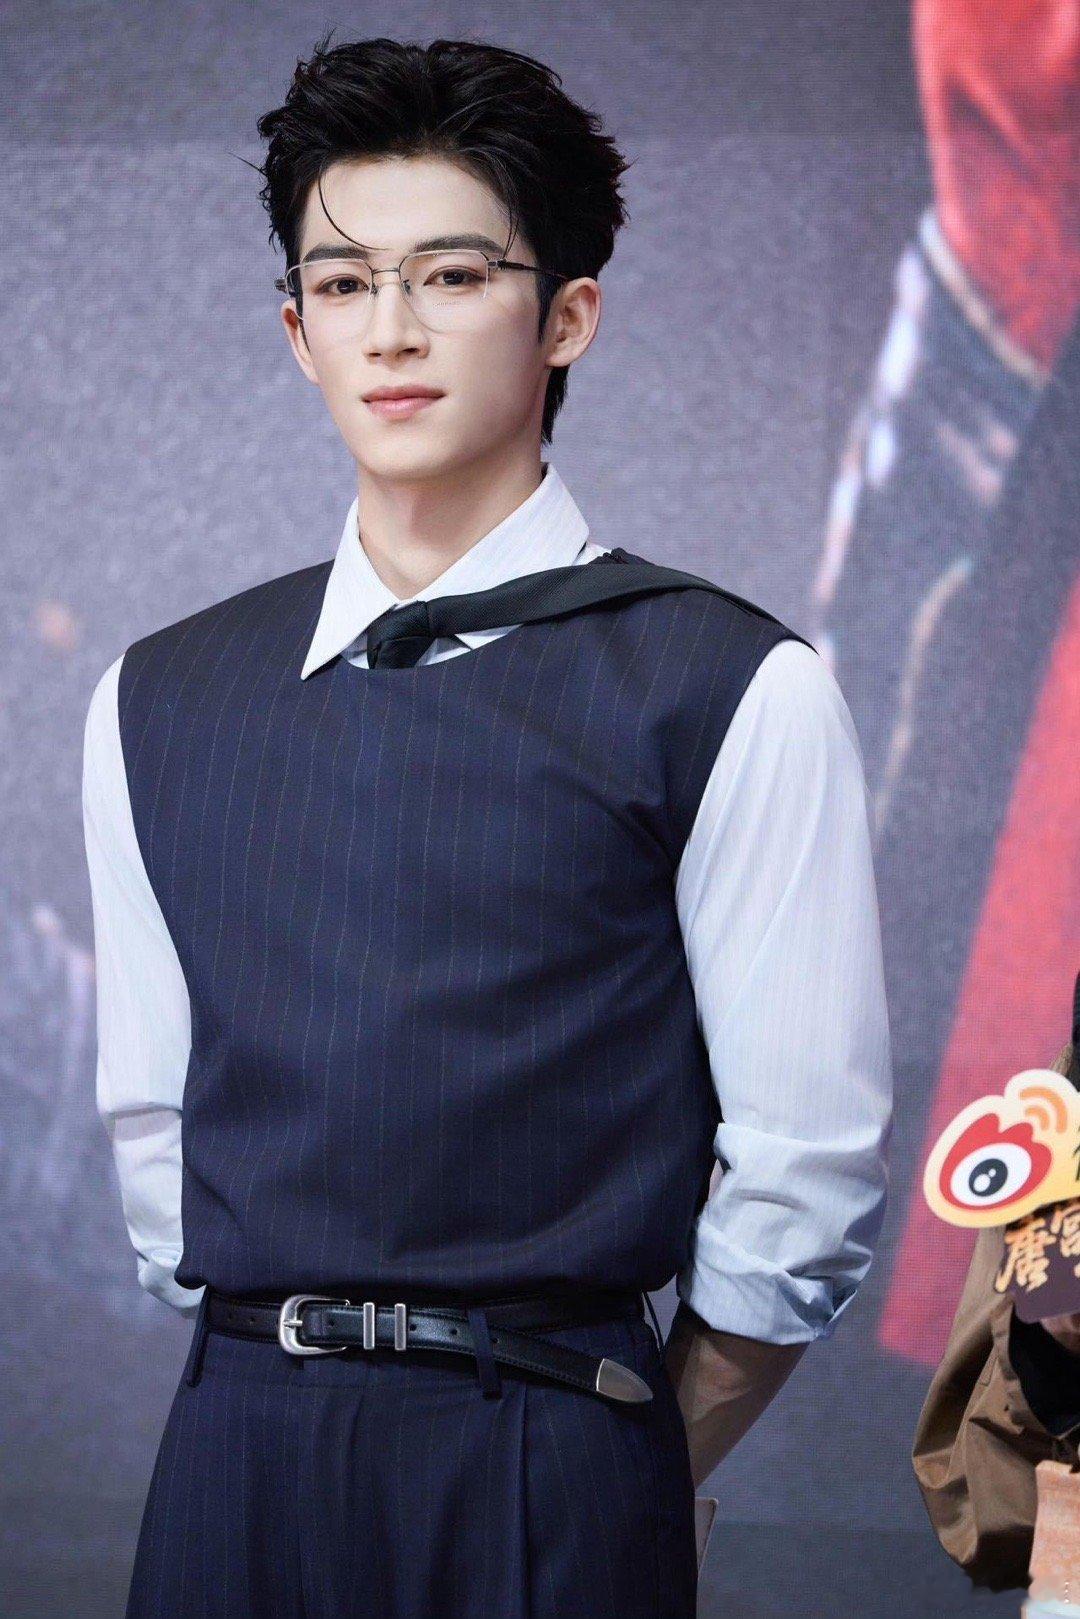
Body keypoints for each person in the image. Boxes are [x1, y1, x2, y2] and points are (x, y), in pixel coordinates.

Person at [81, 34, 893, 1618]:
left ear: (567, 314)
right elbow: (153, 1136)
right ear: (297, 330)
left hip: (551, 1449)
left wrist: (628, 1462)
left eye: (453, 276)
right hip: (236, 1442)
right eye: (343, 283)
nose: (391, 330)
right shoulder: (156, 695)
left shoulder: (730, 684)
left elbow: (805, 1174)